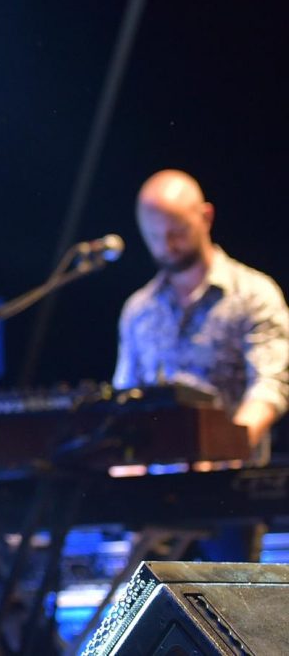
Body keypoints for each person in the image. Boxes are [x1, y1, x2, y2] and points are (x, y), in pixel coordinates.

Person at [113, 169, 289, 562]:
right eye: (155, 236)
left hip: (229, 490)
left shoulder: (253, 294)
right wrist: (123, 469)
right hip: (158, 493)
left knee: (226, 597)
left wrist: (229, 443)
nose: (167, 245)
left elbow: (271, 384)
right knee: (148, 596)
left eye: (176, 231)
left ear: (205, 216)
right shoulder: (138, 309)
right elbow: (125, 396)